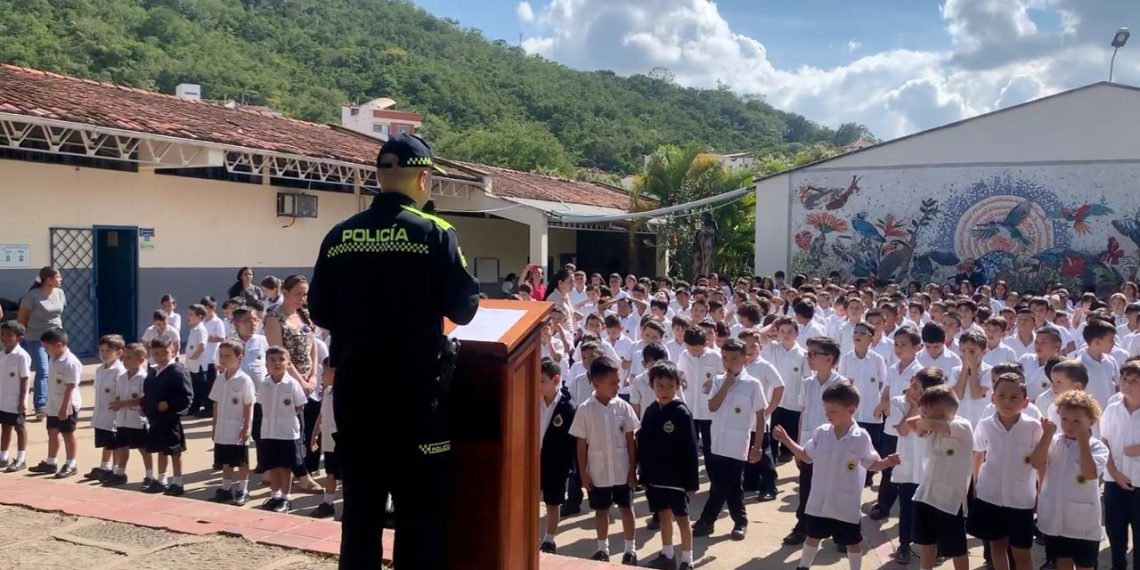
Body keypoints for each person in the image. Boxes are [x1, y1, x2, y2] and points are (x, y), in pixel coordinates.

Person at [308, 133, 479, 570]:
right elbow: (465, 305)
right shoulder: (435, 233)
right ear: (423, 178)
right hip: (414, 401)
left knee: (361, 516)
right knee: (419, 519)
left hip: (356, 399)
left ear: (380, 177)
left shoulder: (339, 235)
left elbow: (321, 309)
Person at [774, 381, 899, 570]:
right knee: (813, 537)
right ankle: (803, 567)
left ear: (850, 410)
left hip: (845, 503)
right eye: (826, 410)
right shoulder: (821, 433)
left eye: (832, 411)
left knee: (852, 542)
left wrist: (887, 462)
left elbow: (871, 463)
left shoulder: (860, 437)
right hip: (821, 502)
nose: (827, 415)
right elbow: (807, 456)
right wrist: (787, 440)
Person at [568, 356, 640, 564]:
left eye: (618, 382)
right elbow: (581, 444)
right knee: (601, 511)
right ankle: (602, 549)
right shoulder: (584, 409)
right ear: (596, 383)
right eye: (613, 383)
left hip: (621, 469)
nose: (617, 386)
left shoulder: (623, 407)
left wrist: (632, 469)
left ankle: (630, 549)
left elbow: (630, 439)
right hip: (597, 471)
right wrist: (582, 473)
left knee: (626, 508)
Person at [692, 340, 766, 541]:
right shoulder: (717, 381)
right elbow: (713, 406)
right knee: (731, 485)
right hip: (717, 442)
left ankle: (706, 520)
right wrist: (726, 383)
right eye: (725, 358)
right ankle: (740, 521)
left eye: (734, 359)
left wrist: (757, 446)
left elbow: (760, 418)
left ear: (745, 359)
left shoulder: (753, 384)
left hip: (737, 444)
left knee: (721, 485)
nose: (729, 363)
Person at [967, 373, 1043, 570]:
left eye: (1014, 397)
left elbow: (1041, 463)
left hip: (1021, 499)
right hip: (990, 495)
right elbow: (978, 454)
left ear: (1025, 402)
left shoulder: (1033, 427)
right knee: (997, 546)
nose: (1006, 401)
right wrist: (976, 485)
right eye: (1001, 395)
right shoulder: (985, 425)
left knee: (1022, 552)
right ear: (993, 398)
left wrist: (1040, 492)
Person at [1035, 391, 1108, 570]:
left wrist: (1083, 440)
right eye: (1065, 419)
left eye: (1077, 421)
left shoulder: (1097, 447)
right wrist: (1046, 435)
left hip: (1083, 521)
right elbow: (1036, 462)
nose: (1069, 426)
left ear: (1090, 422)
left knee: (1085, 565)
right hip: (1055, 517)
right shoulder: (1053, 442)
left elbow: (1090, 473)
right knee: (1062, 562)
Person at [637, 361, 699, 570]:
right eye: (660, 385)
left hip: (677, 480)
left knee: (682, 518)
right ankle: (667, 553)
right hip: (656, 478)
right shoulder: (650, 411)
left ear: (678, 386)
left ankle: (687, 559)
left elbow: (690, 450)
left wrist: (691, 483)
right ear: (652, 385)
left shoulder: (681, 413)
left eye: (670, 386)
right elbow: (643, 446)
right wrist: (643, 476)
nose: (665, 390)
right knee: (663, 515)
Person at [908, 385, 974, 570]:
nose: (924, 416)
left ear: (945, 413)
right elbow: (911, 423)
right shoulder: (931, 422)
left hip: (949, 502)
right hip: (926, 494)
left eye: (928, 412)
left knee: (956, 548)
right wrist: (923, 419)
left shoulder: (961, 426)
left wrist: (924, 422)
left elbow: (927, 424)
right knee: (926, 542)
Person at [1097, 360, 1140, 570]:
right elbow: (1103, 442)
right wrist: (1114, 472)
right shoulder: (1112, 409)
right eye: (1125, 379)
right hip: (1115, 483)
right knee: (1116, 536)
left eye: (1135, 380)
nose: (1128, 384)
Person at [140, 336, 193, 495]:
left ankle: (178, 482)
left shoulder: (177, 371)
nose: (161, 357)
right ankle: (162, 480)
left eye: (165, 353)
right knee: (161, 450)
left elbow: (186, 396)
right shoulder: (153, 372)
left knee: (174, 451)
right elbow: (148, 393)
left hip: (170, 419)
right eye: (156, 353)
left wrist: (170, 404)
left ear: (173, 351)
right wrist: (145, 406)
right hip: (155, 419)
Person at [258, 346, 307, 513]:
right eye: (272, 360)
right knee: (273, 466)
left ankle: (286, 498)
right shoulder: (264, 384)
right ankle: (275, 495)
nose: (277, 363)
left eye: (281, 359)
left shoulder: (292, 384)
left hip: (287, 432)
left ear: (288, 363)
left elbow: (300, 406)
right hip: (269, 431)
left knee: (285, 466)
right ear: (266, 363)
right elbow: (261, 405)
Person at [28, 328, 82, 478]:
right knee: (52, 431)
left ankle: (71, 463)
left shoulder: (70, 362)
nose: (45, 350)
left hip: (67, 404)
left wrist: (65, 408)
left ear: (58, 344)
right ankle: (51, 462)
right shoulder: (53, 358)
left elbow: (71, 386)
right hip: (53, 403)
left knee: (67, 433)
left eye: (47, 347)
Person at [209, 340, 255, 506]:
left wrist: (247, 426)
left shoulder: (244, 380)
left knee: (241, 460)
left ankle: (243, 489)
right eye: (221, 356)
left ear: (239, 358)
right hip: (222, 428)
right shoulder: (220, 379)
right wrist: (214, 426)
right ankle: (226, 488)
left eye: (228, 356)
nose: (223, 359)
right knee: (225, 460)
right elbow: (216, 403)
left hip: (238, 427)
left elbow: (249, 404)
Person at [538, 358, 576, 554]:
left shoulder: (567, 407)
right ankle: (531, 535)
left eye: (542, 380)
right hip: (534, 459)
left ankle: (549, 539)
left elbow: (571, 441)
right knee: (530, 498)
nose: (537, 384)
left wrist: (568, 465)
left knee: (553, 501)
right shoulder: (532, 401)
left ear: (555, 380)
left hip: (556, 462)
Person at [18, 267, 67, 420]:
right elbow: (22, 318)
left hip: (57, 337)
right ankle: (41, 405)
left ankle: (57, 402)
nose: (60, 280)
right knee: (43, 370)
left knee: (60, 369)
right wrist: (22, 335)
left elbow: (59, 311)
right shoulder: (32, 296)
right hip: (36, 338)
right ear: (48, 280)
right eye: (57, 277)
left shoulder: (60, 293)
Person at [105, 343, 150, 486]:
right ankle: (120, 473)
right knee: (122, 446)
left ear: (141, 360)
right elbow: (119, 395)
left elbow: (144, 400)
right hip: (122, 419)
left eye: (129, 358)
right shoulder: (122, 377)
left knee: (143, 448)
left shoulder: (144, 378)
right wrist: (116, 403)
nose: (125, 361)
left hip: (138, 419)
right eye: (124, 358)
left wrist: (123, 404)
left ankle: (149, 475)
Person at [86, 335, 126, 482]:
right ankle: (104, 467)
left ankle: (115, 470)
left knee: (114, 443)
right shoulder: (100, 369)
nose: (104, 354)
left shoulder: (120, 371)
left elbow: (120, 393)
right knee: (106, 442)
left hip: (114, 414)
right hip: (101, 412)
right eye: (101, 350)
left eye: (108, 351)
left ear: (119, 353)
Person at [310, 359, 340, 519]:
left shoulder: (345, 394)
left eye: (325, 372)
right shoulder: (327, 392)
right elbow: (322, 415)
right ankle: (328, 503)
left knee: (343, 475)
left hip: (341, 442)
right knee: (330, 473)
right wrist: (315, 433)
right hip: (329, 442)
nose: (322, 375)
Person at [0, 321, 31, 472]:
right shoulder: (2, 354)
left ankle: (21, 458)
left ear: (19, 338)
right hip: (3, 399)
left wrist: (22, 400)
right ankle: (3, 456)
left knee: (19, 427)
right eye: (2, 334)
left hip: (16, 399)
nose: (4, 338)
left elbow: (25, 379)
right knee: (5, 427)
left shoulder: (21, 356)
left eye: (9, 335)